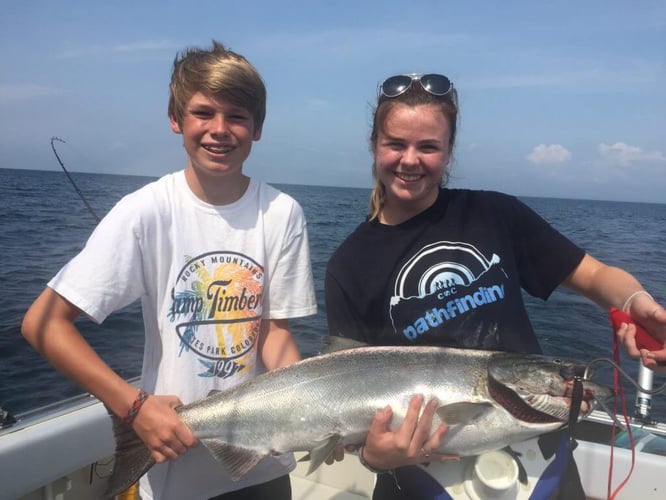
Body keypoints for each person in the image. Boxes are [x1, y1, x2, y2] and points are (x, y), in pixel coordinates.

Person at [324, 73, 666, 499]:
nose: (410, 160)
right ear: (374, 145)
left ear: (448, 153)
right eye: (396, 143)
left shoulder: (494, 213)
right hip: (418, 476)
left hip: (536, 457)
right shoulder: (348, 264)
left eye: (428, 146)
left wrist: (636, 301)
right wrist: (374, 456)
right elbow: (345, 390)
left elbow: (595, 276)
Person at [21, 40, 317, 500]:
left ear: (257, 128)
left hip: (262, 463)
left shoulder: (282, 212)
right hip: (174, 468)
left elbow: (273, 333)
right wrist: (133, 407)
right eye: (203, 113)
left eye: (237, 116)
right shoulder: (145, 212)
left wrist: (312, 410)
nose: (220, 130)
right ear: (176, 119)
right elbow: (43, 325)